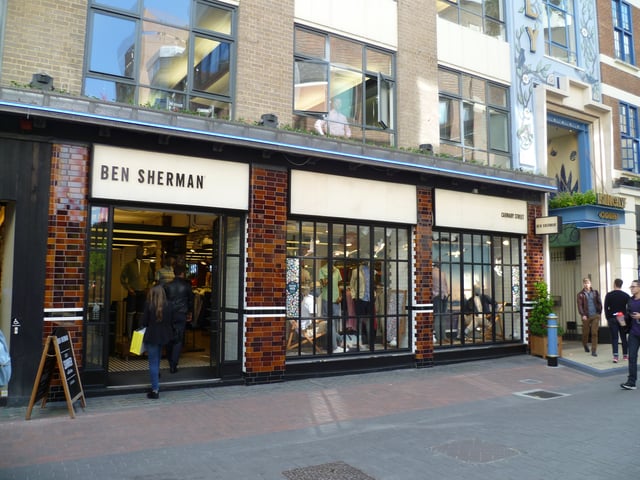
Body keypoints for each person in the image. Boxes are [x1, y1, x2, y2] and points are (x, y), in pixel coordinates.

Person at [141, 284, 173, 399]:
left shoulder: (149, 305)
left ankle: (155, 390)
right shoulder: (169, 305)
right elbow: (171, 321)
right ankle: (156, 379)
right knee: (157, 360)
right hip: (164, 336)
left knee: (153, 363)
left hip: (152, 336)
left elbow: (144, 322)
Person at [164, 263, 194, 374]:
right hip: (181, 314)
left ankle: (169, 360)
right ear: (182, 273)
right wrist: (190, 313)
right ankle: (173, 364)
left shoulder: (167, 286)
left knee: (168, 337)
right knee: (178, 339)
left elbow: (163, 301)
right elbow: (191, 300)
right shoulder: (187, 286)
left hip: (169, 314)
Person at [120, 245, 154, 338]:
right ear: (136, 252)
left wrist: (148, 287)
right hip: (133, 291)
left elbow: (151, 278)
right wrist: (128, 288)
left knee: (141, 314)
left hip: (143, 292)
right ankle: (129, 336)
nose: (140, 252)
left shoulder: (146, 265)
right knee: (130, 314)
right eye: (139, 251)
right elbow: (122, 278)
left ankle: (138, 337)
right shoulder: (129, 265)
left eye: (142, 251)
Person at [320, 262, 346, 353]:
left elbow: (338, 285)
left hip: (335, 299)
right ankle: (335, 345)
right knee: (328, 323)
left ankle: (330, 346)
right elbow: (324, 284)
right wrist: (331, 273)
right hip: (326, 298)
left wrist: (340, 296)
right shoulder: (322, 270)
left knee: (333, 323)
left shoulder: (337, 270)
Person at [604, 278, 630, 363]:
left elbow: (606, 308)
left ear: (614, 284)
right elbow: (630, 307)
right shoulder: (625, 295)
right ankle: (625, 355)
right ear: (621, 285)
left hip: (612, 318)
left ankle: (615, 356)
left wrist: (608, 318)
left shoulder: (609, 295)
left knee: (614, 337)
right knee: (623, 337)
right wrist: (626, 316)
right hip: (621, 318)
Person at [621, 279, 640, 390]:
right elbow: (628, 316)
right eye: (631, 287)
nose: (631, 288)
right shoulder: (630, 301)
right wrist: (622, 319)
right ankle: (631, 382)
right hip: (633, 333)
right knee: (632, 357)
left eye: (633, 286)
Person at [577, 277, 602, 357]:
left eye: (587, 283)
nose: (586, 284)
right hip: (586, 316)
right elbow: (580, 305)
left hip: (595, 315)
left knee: (594, 333)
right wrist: (582, 314)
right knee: (585, 333)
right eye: (584, 283)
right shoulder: (580, 294)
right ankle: (585, 344)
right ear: (583, 284)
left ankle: (594, 350)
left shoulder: (595, 292)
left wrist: (599, 312)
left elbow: (599, 302)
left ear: (590, 284)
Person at [432, 263, 449, 341]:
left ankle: (440, 337)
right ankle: (442, 336)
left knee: (438, 317)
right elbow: (446, 285)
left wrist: (435, 293)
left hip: (438, 296)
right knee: (441, 317)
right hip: (443, 296)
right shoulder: (442, 273)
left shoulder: (433, 273)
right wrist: (447, 294)